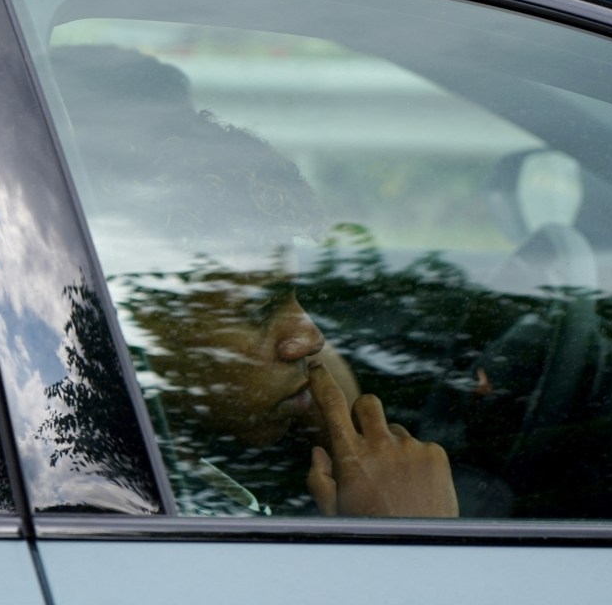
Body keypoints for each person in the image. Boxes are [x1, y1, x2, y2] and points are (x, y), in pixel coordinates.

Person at [50, 44, 458, 518]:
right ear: (134, 324)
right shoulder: (104, 504)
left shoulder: (162, 451)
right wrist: (406, 534)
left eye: (295, 297)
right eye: (258, 310)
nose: (312, 339)